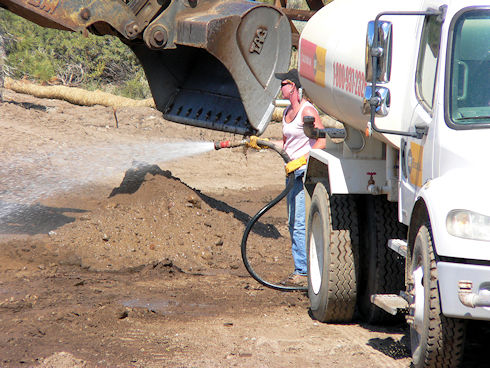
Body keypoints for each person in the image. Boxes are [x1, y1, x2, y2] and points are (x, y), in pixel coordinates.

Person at [274, 68, 326, 287]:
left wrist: (302, 161)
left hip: (303, 173)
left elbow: (321, 142)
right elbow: (286, 144)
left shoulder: (308, 110)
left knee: (298, 222)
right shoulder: (287, 113)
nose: (281, 88)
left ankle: (303, 272)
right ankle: (301, 268)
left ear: (293, 86)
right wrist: (260, 144)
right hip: (290, 172)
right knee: (291, 222)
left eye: (283, 84)